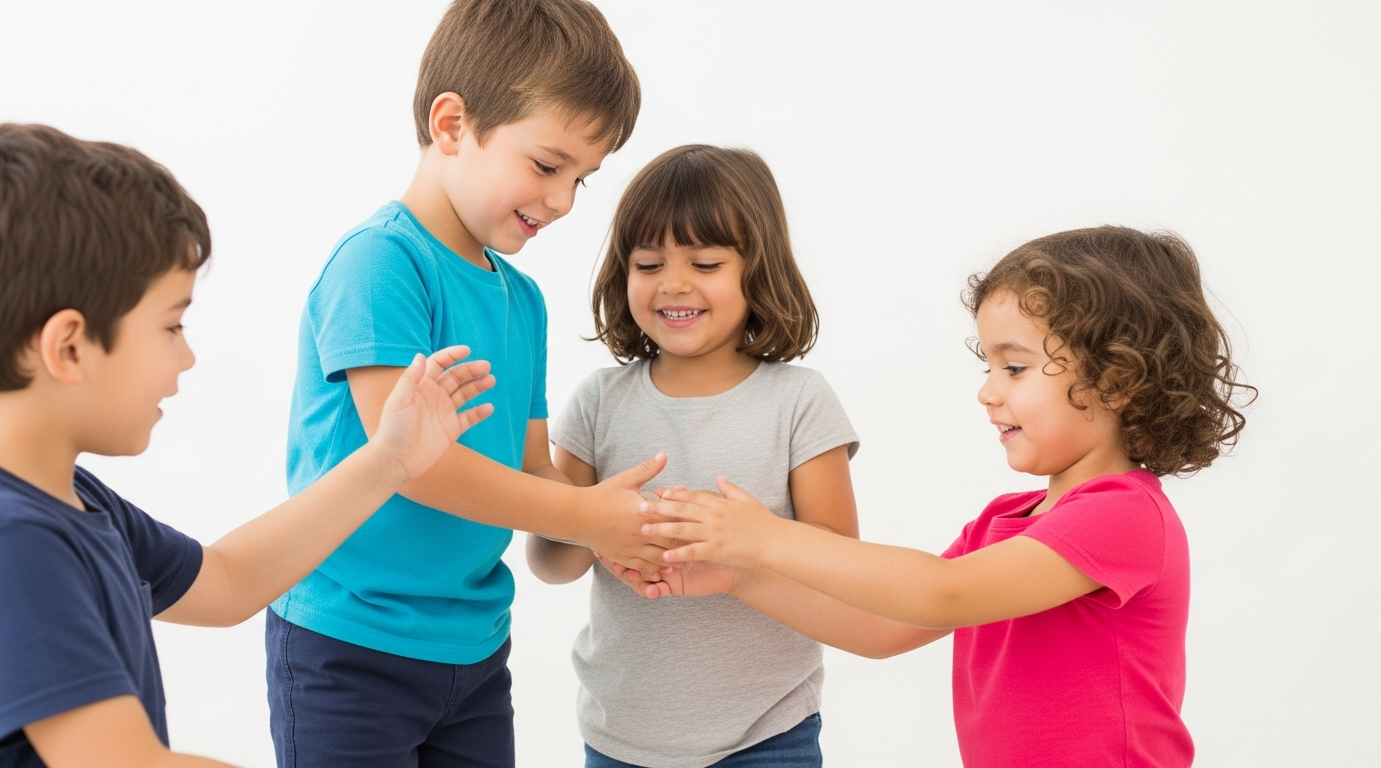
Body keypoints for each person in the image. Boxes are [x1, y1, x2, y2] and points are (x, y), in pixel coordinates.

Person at [619, 226, 1254, 767]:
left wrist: (769, 537)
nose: (988, 391)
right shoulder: (1006, 525)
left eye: (1015, 368)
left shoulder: (1124, 515)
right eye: (988, 367)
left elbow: (942, 592)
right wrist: (739, 575)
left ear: (1116, 381)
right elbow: (883, 626)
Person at [0, 123, 495, 767]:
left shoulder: (71, 502)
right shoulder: (8, 539)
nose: (187, 357)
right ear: (69, 346)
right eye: (172, 325)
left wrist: (388, 460)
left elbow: (225, 581)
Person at [267, 1, 665, 765]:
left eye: (582, 179)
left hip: (474, 651)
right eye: (548, 166)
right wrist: (583, 513)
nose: (560, 200)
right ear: (452, 124)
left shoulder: (524, 302)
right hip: (346, 644)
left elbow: (528, 466)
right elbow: (413, 463)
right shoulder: (381, 264)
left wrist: (613, 530)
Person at [527, 145, 860, 768]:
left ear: (755, 272)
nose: (673, 284)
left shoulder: (799, 401)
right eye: (648, 263)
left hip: (768, 735)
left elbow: (842, 566)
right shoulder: (599, 401)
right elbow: (550, 563)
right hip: (618, 736)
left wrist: (747, 541)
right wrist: (590, 527)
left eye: (705, 262)